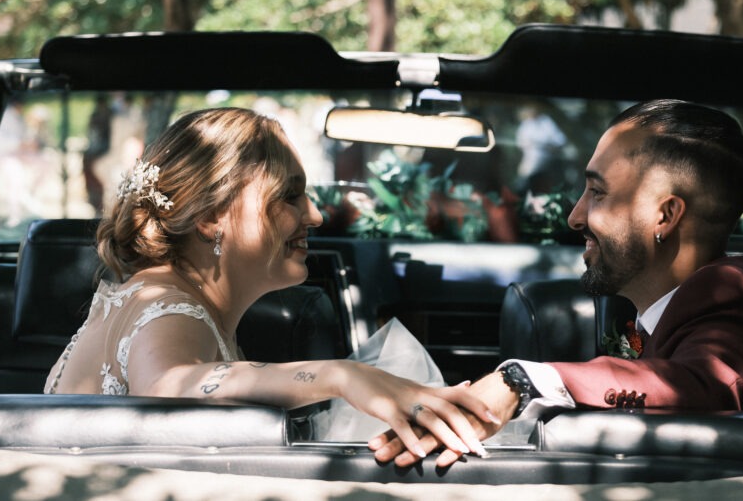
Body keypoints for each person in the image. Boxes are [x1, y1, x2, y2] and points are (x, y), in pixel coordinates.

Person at [370, 99, 743, 467]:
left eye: (597, 193)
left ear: (666, 216)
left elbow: (705, 384)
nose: (574, 216)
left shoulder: (729, 303)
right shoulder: (662, 311)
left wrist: (523, 381)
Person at [45, 107, 498, 460]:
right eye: (289, 196)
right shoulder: (167, 306)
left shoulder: (150, 293)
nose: (315, 215)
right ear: (209, 218)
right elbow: (168, 385)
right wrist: (339, 375)